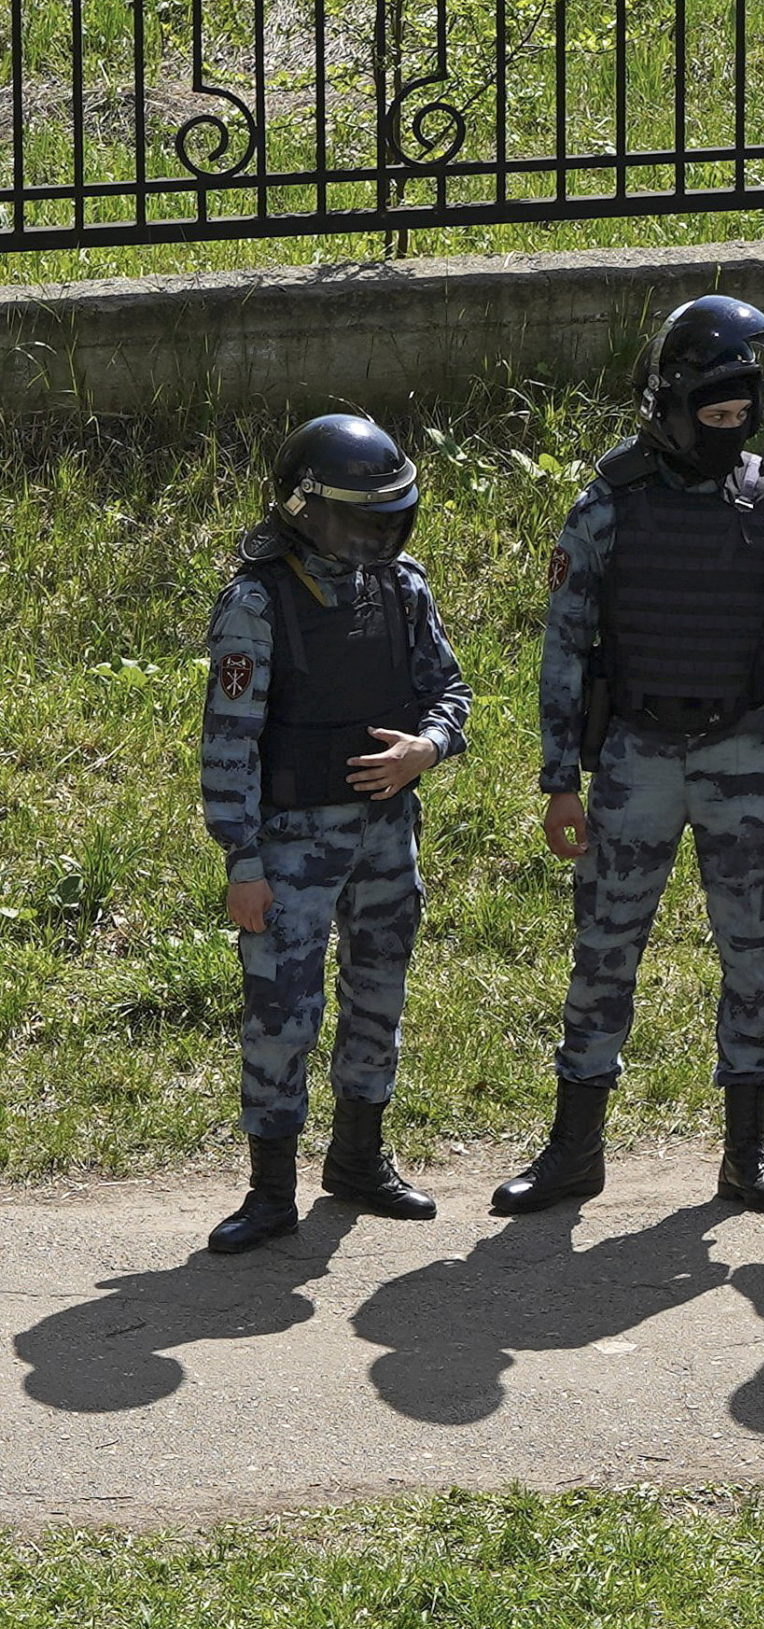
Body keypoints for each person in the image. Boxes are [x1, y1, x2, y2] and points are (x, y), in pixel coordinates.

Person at [503, 294, 764, 1216]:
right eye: (714, 410)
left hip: (747, 754)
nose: (729, 427)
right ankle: (574, 1150)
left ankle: (749, 1153)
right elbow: (565, 647)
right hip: (636, 757)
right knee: (603, 950)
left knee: (753, 953)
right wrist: (558, 780)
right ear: (670, 403)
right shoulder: (607, 507)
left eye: (743, 411)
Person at [198, 414, 472, 1253]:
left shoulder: (400, 586)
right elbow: (229, 744)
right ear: (307, 510)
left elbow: (449, 691)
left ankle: (358, 1161)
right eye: (361, 517)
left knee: (377, 998)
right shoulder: (257, 601)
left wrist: (427, 748)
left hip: (388, 838)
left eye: (387, 516)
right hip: (288, 848)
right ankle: (270, 1190)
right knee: (282, 1013)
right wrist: (243, 863)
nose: (377, 533)